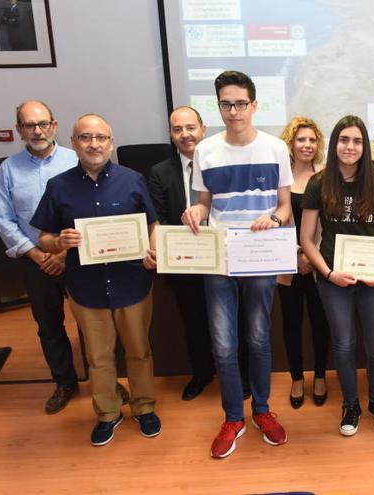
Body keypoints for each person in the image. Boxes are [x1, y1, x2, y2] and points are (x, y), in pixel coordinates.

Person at [31, 114, 160, 446]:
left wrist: (154, 251)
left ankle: (144, 407)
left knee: (139, 351)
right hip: (85, 286)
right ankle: (108, 413)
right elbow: (44, 236)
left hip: (132, 282)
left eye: (101, 137)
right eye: (86, 137)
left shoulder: (133, 180)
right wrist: (58, 242)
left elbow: (152, 225)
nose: (94, 144)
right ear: (74, 143)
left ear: (111, 143)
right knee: (98, 357)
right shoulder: (58, 186)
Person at [181, 70, 291, 458]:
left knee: (259, 339)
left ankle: (261, 410)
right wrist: (194, 210)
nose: (234, 111)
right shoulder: (205, 151)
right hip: (220, 260)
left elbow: (285, 207)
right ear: (218, 106)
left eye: (240, 103)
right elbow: (204, 204)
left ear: (254, 105)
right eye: (226, 104)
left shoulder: (276, 148)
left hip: (259, 257)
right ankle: (233, 417)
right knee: (224, 345)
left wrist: (274, 220)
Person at [300, 115, 374, 436]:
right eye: (344, 140)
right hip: (333, 277)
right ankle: (351, 404)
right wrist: (328, 273)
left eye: (357, 141)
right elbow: (306, 239)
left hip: (373, 279)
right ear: (334, 144)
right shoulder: (319, 183)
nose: (350, 147)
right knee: (344, 345)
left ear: (364, 145)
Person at [0, 100, 79, 414]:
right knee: (49, 325)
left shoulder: (75, 161)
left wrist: (64, 254)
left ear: (54, 126)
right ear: (20, 130)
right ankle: (65, 382)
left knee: (91, 323)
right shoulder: (8, 169)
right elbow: (3, 219)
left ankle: (104, 382)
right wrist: (38, 254)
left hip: (78, 258)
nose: (37, 131)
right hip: (35, 261)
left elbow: (88, 209)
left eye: (43, 123)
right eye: (29, 125)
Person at [148, 106, 221, 401]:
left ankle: (237, 373)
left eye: (190, 127)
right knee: (193, 320)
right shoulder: (159, 172)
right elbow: (160, 218)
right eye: (178, 129)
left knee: (230, 318)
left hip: (222, 257)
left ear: (203, 129)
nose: (185, 134)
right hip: (185, 261)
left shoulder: (221, 163)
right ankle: (202, 372)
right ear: (170, 134)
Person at [277, 116, 330, 408]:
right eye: (301, 139)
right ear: (291, 142)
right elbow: (276, 220)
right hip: (288, 263)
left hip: (320, 261)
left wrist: (311, 255)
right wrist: (297, 254)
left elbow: (331, 224)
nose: (307, 145)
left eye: (312, 140)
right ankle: (297, 377)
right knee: (291, 321)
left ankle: (320, 375)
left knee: (321, 321)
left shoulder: (326, 175)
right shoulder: (279, 177)